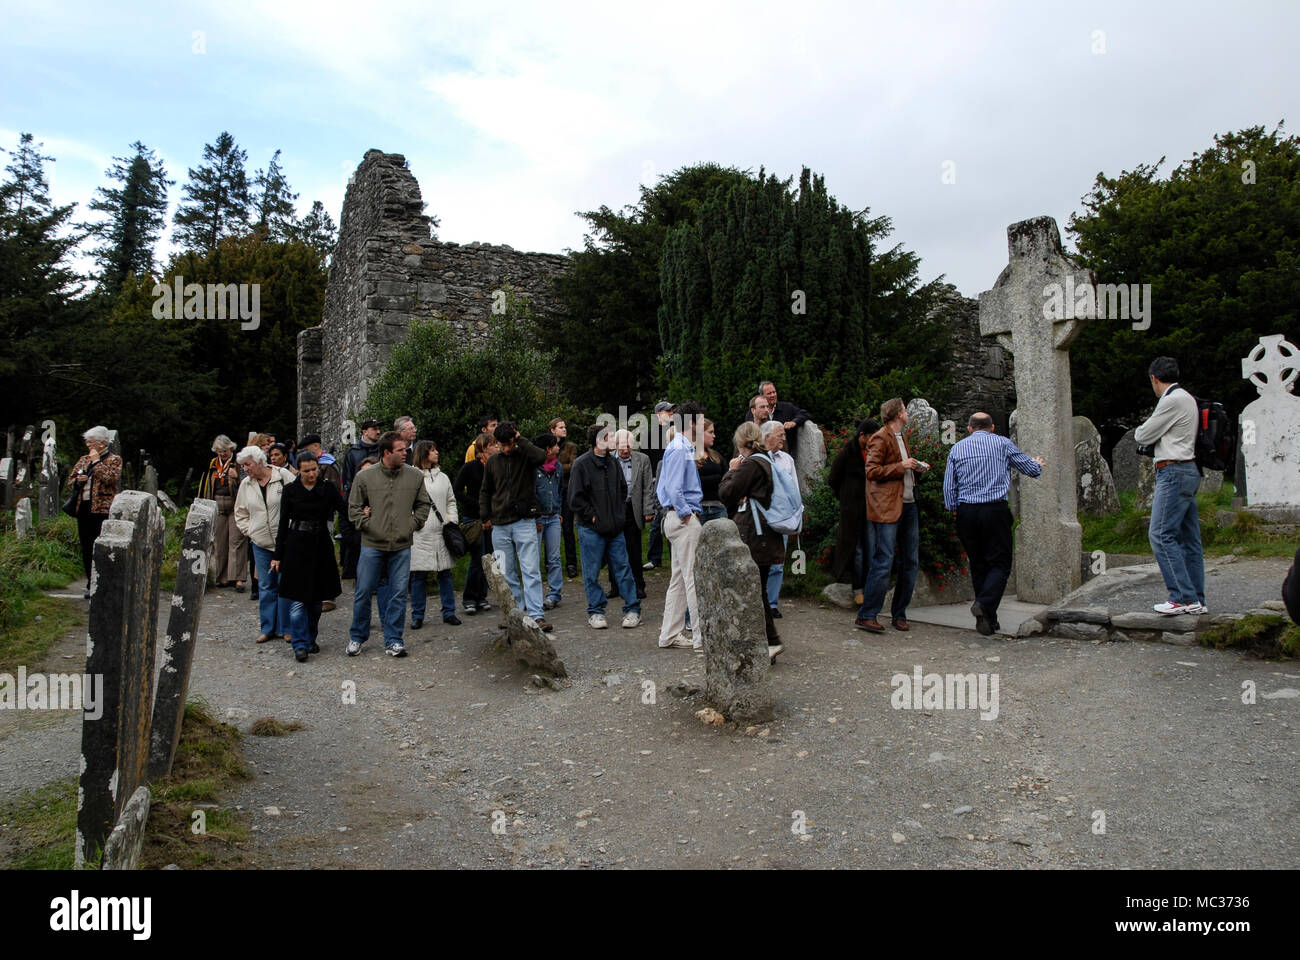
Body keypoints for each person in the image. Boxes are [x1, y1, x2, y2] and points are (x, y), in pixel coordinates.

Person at [943, 412, 1044, 636]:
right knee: (1000, 564)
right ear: (992, 427)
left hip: (967, 511)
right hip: (993, 510)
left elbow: (949, 486)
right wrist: (1037, 464)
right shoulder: (1003, 444)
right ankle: (984, 604)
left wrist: (953, 510)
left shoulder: (957, 449)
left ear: (969, 428)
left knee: (978, 564)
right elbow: (1031, 469)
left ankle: (989, 620)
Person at [347, 431, 431, 657]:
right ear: (386, 453)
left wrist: (412, 524)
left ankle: (394, 639)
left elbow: (424, 504)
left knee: (399, 593)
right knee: (363, 591)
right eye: (400, 450)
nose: (406, 453)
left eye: (406, 449)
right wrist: (368, 525)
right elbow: (353, 508)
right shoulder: (364, 477)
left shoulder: (414, 476)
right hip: (372, 544)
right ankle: (357, 636)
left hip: (402, 545)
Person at [1134, 356, 1207, 615]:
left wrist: (1145, 431)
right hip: (1188, 469)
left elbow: (1143, 434)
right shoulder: (1188, 397)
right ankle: (1197, 598)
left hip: (1173, 471)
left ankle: (1182, 597)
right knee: (1189, 540)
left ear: (1154, 379)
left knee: (1161, 534)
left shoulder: (1171, 400)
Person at [856, 398, 929, 634]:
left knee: (911, 561)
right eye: (905, 410)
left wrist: (914, 466)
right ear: (898, 414)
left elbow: (900, 466)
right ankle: (867, 614)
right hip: (888, 507)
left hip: (908, 504)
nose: (907, 413)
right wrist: (902, 466)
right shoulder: (880, 436)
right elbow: (872, 471)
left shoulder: (901, 437)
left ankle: (899, 613)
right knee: (884, 560)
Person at [271, 450, 346, 662]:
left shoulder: (328, 488)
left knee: (315, 602)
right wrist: (278, 555)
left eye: (314, 469)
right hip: (296, 546)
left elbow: (345, 509)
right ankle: (299, 644)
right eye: (306, 471)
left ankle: (311, 637)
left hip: (321, 545)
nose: (312, 474)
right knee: (297, 601)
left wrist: (364, 513)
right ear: (299, 471)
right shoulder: (290, 491)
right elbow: (283, 524)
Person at [720, 421, 784, 661]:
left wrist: (731, 470)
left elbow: (727, 494)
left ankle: (771, 641)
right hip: (766, 534)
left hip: (756, 536)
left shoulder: (751, 464)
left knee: (753, 590)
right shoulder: (767, 460)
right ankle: (766, 642)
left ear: (740, 442)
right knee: (757, 589)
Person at [479, 422, 552, 631]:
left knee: (530, 569)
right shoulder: (493, 462)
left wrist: (520, 439)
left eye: (509, 443)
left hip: (524, 521)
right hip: (499, 524)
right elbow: (485, 491)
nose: (506, 449)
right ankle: (514, 612)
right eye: (502, 445)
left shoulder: (525, 456)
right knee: (505, 571)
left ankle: (537, 614)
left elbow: (541, 457)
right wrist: (485, 516)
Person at [568, 423, 642, 629]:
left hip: (615, 528)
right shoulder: (581, 464)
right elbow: (575, 498)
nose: (615, 441)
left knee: (623, 569)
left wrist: (618, 516)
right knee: (591, 572)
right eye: (610, 437)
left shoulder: (612, 463)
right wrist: (592, 517)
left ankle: (633, 608)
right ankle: (596, 611)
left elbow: (621, 490)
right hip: (591, 529)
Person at [234, 445, 295, 644]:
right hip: (260, 542)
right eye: (243, 465)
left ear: (260, 461)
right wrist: (250, 531)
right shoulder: (246, 484)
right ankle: (268, 628)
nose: (245, 469)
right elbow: (240, 512)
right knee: (266, 585)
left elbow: (298, 500)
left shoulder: (282, 475)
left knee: (286, 584)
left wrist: (293, 528)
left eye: (248, 464)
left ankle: (287, 628)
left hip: (284, 540)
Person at [655, 399, 704, 649]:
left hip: (677, 517)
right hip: (682, 518)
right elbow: (674, 489)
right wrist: (688, 515)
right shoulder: (679, 448)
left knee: (679, 579)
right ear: (692, 422)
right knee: (692, 577)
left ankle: (669, 634)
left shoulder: (679, 446)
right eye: (702, 420)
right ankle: (700, 637)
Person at [409, 439, 461, 630]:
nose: (436, 453)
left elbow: (451, 500)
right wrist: (415, 523)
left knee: (445, 573)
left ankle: (449, 612)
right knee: (419, 576)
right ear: (423, 453)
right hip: (420, 533)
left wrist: (451, 521)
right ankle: (417, 615)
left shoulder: (443, 477)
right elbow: (407, 503)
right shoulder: (412, 476)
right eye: (432, 450)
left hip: (442, 531)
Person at [67, 426, 123, 598]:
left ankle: (104, 581)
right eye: (86, 441)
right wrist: (78, 479)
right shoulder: (83, 459)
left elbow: (111, 479)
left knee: (102, 546)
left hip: (103, 509)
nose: (87, 444)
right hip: (84, 508)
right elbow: (71, 480)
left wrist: (97, 462)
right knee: (86, 546)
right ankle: (90, 583)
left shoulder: (114, 460)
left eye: (90, 442)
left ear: (102, 443)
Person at [828, 419, 878, 605]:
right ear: (862, 436)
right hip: (852, 509)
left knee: (871, 548)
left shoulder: (875, 452)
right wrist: (846, 497)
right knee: (856, 550)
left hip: (872, 507)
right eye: (871, 437)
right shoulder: (847, 453)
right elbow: (833, 479)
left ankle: (869, 587)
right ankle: (858, 589)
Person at [605, 429, 656, 600]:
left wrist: (648, 510)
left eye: (628, 447)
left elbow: (648, 487)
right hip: (613, 510)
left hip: (633, 509)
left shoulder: (643, 459)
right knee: (613, 549)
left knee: (634, 550)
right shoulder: (608, 459)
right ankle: (615, 586)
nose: (625, 450)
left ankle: (638, 585)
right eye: (622, 447)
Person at [454, 434, 497, 615]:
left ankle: (481, 596)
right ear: (484, 448)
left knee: (489, 558)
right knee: (477, 559)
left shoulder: (496, 467)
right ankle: (469, 598)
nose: (498, 448)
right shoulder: (470, 467)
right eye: (494, 445)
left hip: (492, 519)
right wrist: (476, 505)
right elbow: (457, 491)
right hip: (474, 519)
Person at [760, 420, 799, 618]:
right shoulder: (756, 458)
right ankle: (758, 602)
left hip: (782, 516)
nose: (784, 438)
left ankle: (772, 603)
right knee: (759, 561)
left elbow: (795, 489)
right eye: (780, 435)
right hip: (761, 517)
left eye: (784, 435)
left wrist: (797, 513)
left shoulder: (787, 460)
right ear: (767, 437)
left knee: (778, 562)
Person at [201, 434, 248, 591]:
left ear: (231, 448)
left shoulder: (239, 463)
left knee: (237, 541)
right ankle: (222, 578)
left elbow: (248, 483)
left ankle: (238, 579)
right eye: (220, 451)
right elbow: (206, 485)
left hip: (235, 505)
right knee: (220, 543)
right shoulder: (213, 464)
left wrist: (237, 478)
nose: (222, 454)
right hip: (218, 506)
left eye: (225, 451)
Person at [339, 419, 383, 580]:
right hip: (358, 503)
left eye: (379, 428)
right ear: (365, 431)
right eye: (374, 428)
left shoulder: (381, 450)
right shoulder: (353, 452)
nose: (378, 431)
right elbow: (348, 481)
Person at [533, 433, 565, 611]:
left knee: (554, 557)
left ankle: (554, 594)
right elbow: (531, 494)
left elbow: (559, 491)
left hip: (553, 517)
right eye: (555, 446)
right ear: (547, 449)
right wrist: (536, 517)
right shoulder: (534, 468)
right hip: (537, 519)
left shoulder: (558, 467)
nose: (558, 449)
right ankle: (535, 595)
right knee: (534, 558)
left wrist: (558, 511)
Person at [644, 401, 675, 569]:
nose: (671, 413)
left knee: (672, 517)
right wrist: (652, 477)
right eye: (668, 410)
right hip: (657, 481)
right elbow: (645, 459)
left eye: (672, 410)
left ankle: (673, 557)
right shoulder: (649, 435)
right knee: (656, 521)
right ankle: (654, 558)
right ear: (658, 414)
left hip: (672, 480)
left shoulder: (676, 433)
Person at [550, 417, 579, 579]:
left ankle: (571, 563)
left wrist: (554, 466)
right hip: (552, 491)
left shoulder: (570, 447)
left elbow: (573, 466)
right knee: (550, 527)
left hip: (566, 490)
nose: (564, 429)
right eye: (561, 427)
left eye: (565, 427)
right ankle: (550, 563)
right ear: (552, 430)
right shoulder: (547, 446)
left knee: (568, 528)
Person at [746, 381, 809, 453]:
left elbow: (804, 413)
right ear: (762, 396)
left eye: (774, 392)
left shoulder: (786, 407)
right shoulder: (753, 413)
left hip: (783, 454)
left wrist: (794, 422)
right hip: (761, 454)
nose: (773, 395)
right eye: (769, 393)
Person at [697, 419, 726, 523]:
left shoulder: (716, 456)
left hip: (718, 507)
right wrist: (717, 478)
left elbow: (726, 479)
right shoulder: (689, 456)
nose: (714, 436)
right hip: (698, 510)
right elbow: (693, 482)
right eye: (710, 432)